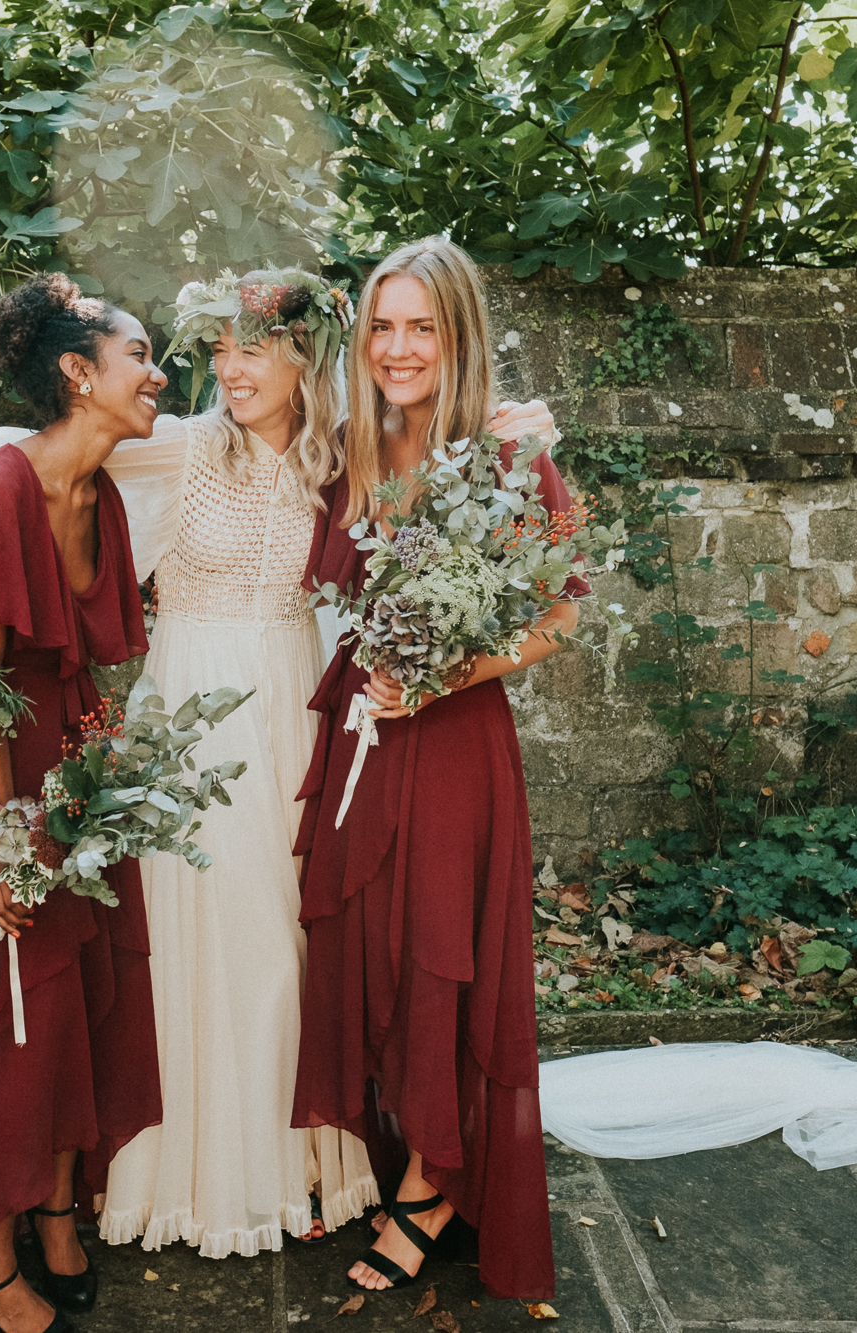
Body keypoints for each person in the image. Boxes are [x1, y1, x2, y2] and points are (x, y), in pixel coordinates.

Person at [0, 268, 558, 1262]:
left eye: (251, 348)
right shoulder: (177, 448)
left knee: (294, 939)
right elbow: (24, 450)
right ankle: (182, 1175)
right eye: (216, 349)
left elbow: (443, 462)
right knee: (190, 934)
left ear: (302, 356)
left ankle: (307, 1166)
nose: (228, 368)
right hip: (188, 710)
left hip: (299, 711)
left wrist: (512, 429)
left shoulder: (341, 457)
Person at [291, 237, 584, 1302]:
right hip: (360, 737)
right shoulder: (352, 448)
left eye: (421, 327)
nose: (398, 347)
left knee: (438, 961)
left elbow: (557, 617)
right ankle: (407, 1148)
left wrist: (445, 679)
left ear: (457, 337)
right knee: (370, 950)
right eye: (381, 325)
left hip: (449, 741)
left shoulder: (506, 453)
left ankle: (430, 1186)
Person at [0, 273, 162, 1333]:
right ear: (77, 372)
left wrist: (98, 784)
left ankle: (58, 1209)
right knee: (11, 1010)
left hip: (75, 769)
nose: (157, 375)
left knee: (77, 1000)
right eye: (138, 355)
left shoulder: (104, 495)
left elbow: (93, 665)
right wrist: (14, 851)